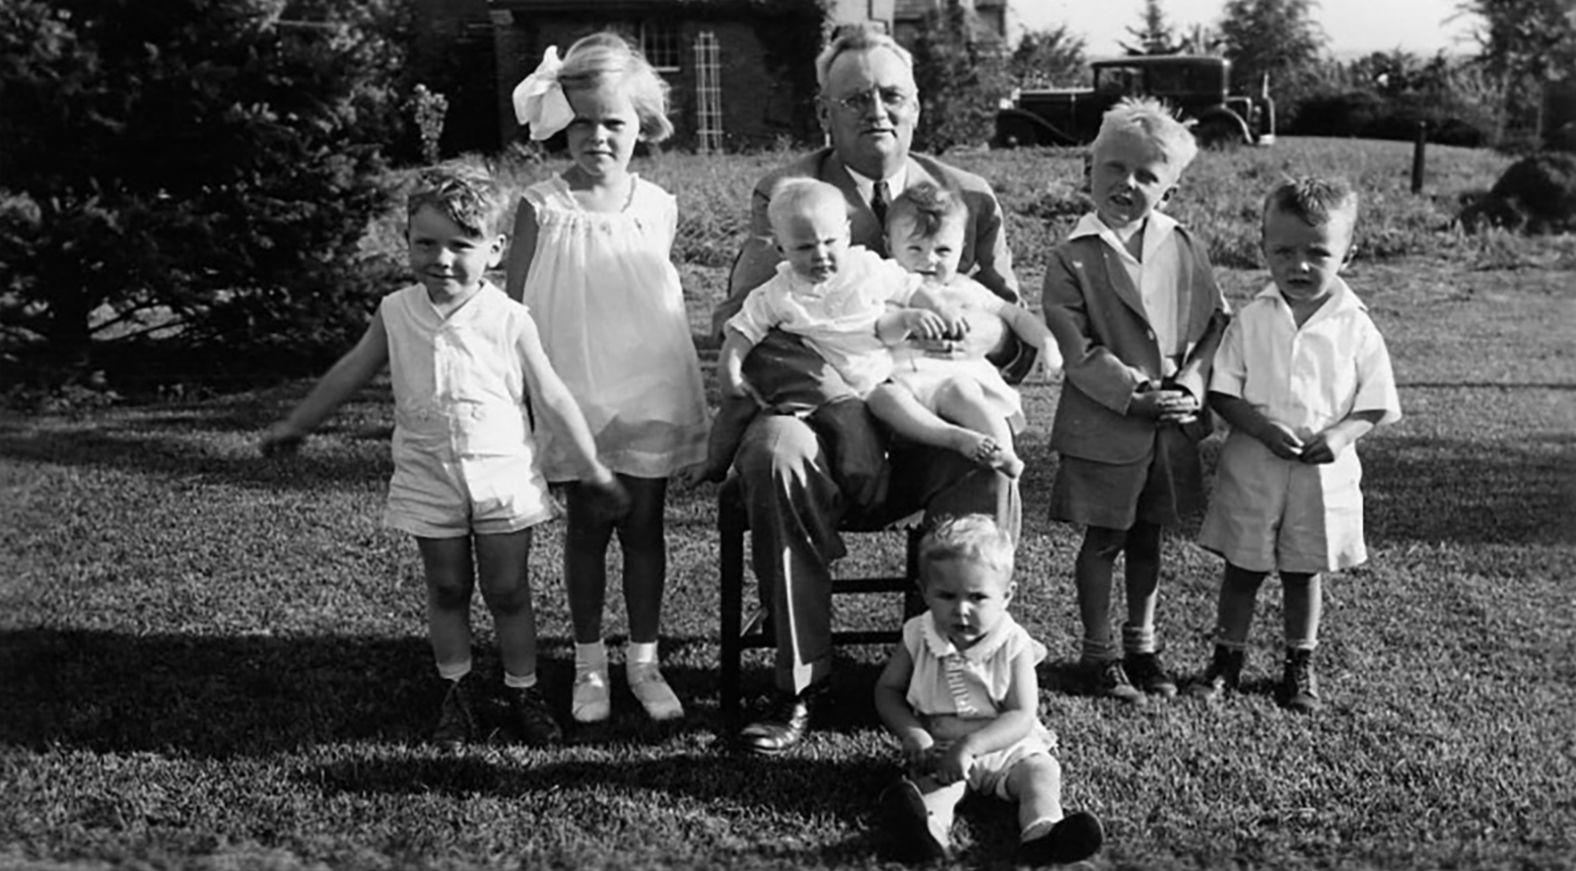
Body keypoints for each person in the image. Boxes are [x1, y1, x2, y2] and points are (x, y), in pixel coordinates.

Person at [712, 25, 1025, 755]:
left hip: (931, 416)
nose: (877, 110)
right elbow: (743, 318)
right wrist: (838, 400)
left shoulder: (968, 196)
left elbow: (1013, 328)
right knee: (775, 451)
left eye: (893, 95)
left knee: (990, 455)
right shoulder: (787, 193)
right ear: (826, 112)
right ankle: (798, 683)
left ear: (917, 106)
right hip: (821, 422)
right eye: (856, 98)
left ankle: (970, 673)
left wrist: (979, 337)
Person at [260, 164, 629, 747]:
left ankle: (522, 689)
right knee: (448, 588)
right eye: (425, 243)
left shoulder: (509, 318)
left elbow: (552, 394)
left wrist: (592, 467)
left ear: (495, 250)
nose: (443, 259)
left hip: (502, 477)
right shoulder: (396, 312)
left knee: (508, 591)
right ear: (406, 243)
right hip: (429, 478)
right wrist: (299, 424)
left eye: (462, 245)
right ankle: (457, 695)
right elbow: (352, 371)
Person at [505, 32, 710, 726]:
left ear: (642, 126)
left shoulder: (657, 204)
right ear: (562, 120)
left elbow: (651, 297)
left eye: (614, 122)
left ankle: (644, 659)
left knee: (646, 523)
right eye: (584, 121)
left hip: (649, 381)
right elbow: (514, 307)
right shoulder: (541, 205)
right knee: (590, 524)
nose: (598, 136)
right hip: (576, 387)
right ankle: (590, 659)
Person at [1041, 97, 1229, 704]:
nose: (1128, 184)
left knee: (1149, 536)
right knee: (1104, 538)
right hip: (1107, 427)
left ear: (1169, 191)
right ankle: (1098, 654)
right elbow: (1076, 346)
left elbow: (1214, 324)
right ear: (1087, 171)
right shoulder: (1072, 257)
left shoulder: (1185, 246)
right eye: (1114, 169)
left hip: (1170, 425)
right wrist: (1134, 394)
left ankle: (1141, 645)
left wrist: (1190, 387)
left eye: (1147, 176)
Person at [1191, 177, 1400, 713]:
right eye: (1284, 251)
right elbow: (1223, 391)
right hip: (1253, 467)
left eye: (1317, 253)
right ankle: (1225, 662)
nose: (1299, 266)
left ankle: (1298, 666)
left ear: (1347, 256)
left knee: (1302, 571)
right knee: (1243, 567)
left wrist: (1340, 435)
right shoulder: (1252, 319)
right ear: (1263, 248)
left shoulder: (1356, 327)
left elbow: (1376, 401)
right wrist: (1259, 428)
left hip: (1319, 474)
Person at [684, 178, 939, 506]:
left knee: (890, 425)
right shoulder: (777, 292)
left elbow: (909, 286)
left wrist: (938, 309)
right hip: (808, 389)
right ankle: (715, 463)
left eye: (829, 242)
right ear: (781, 248)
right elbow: (743, 331)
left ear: (846, 234)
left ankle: (868, 490)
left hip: (873, 381)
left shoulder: (866, 268)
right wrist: (729, 368)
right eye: (804, 248)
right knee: (739, 402)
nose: (820, 255)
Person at [873, 514, 1104, 865]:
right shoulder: (918, 634)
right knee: (935, 789)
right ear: (924, 592)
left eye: (978, 597)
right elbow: (887, 690)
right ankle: (926, 834)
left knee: (1040, 774)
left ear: (1006, 595)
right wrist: (913, 733)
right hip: (943, 747)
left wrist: (974, 746)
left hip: (1007, 747)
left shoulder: (1014, 644)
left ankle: (1044, 833)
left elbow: (1021, 714)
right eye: (946, 596)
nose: (961, 610)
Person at [867, 182, 1064, 480]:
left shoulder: (964, 288)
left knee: (966, 394)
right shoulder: (884, 289)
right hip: (901, 380)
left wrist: (1047, 344)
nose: (929, 260)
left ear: (961, 250)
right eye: (915, 248)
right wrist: (906, 321)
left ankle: (1003, 452)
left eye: (943, 250)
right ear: (889, 246)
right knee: (883, 398)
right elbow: (879, 332)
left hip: (952, 376)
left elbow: (1015, 315)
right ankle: (951, 437)